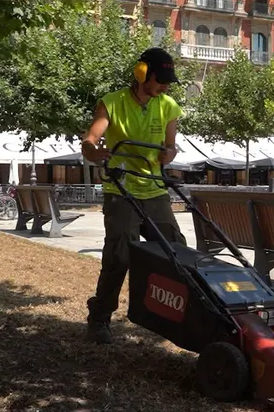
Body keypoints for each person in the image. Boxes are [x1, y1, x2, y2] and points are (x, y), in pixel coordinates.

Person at [81, 47, 188, 344]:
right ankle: (99, 317)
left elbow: (169, 149)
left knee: (176, 252)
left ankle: (182, 316)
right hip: (122, 189)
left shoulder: (168, 106)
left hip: (154, 189)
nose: (165, 85)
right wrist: (94, 150)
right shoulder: (112, 103)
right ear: (143, 74)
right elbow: (91, 139)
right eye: (161, 80)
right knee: (119, 256)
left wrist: (168, 155)